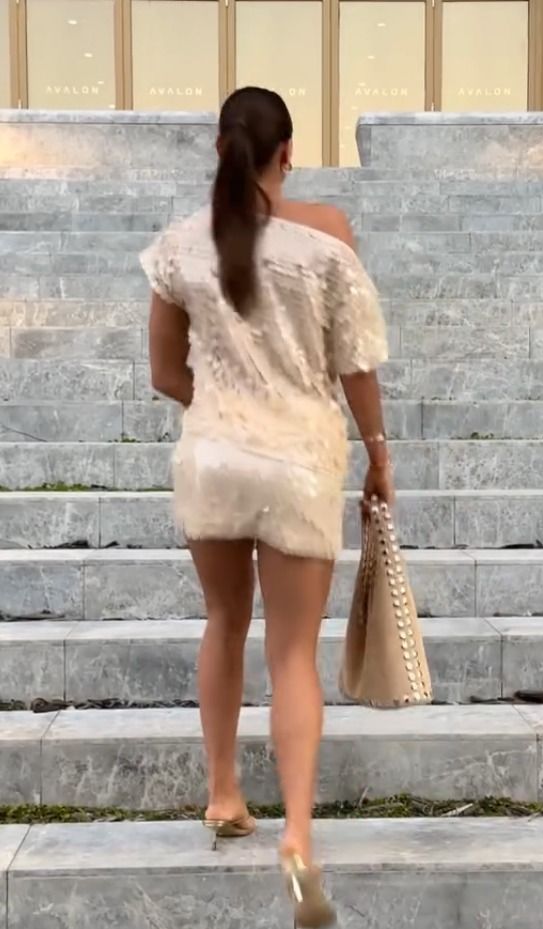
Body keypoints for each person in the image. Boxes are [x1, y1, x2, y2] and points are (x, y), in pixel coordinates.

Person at [141, 85, 393, 929]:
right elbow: (356, 363)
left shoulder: (178, 247)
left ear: (220, 149)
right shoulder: (326, 239)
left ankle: (222, 794)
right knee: (292, 654)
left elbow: (165, 374)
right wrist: (379, 455)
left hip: (213, 458)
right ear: (289, 152)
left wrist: (225, 411)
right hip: (300, 463)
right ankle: (296, 838)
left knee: (224, 621)